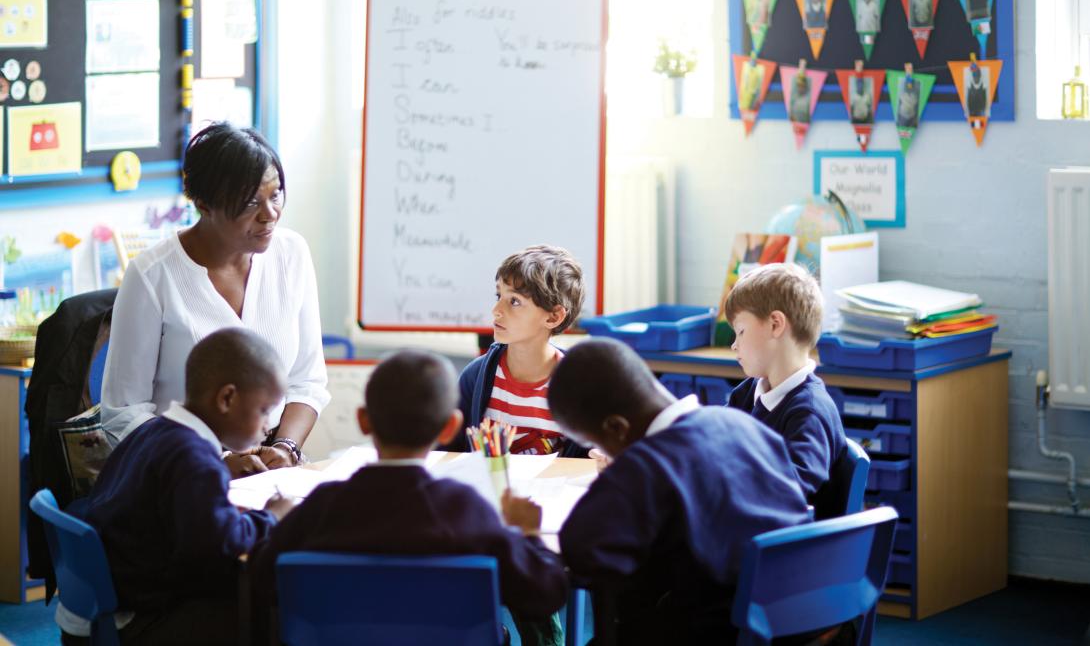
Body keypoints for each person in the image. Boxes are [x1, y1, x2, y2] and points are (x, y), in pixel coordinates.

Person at [249, 350, 569, 645]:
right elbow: (545, 593)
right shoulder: (466, 509)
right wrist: (527, 534)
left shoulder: (323, 506)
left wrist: (274, 520)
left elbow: (261, 578)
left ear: (363, 420)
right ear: (450, 427)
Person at [101, 122, 330, 477]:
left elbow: (307, 381)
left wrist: (286, 448)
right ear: (204, 205)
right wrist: (215, 461)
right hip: (180, 467)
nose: (269, 214)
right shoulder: (152, 275)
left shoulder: (292, 254)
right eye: (250, 202)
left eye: (276, 195)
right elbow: (124, 413)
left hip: (273, 465)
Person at [549, 339, 810, 643]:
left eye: (596, 443)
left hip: (713, 631)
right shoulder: (744, 424)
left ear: (617, 428)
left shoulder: (642, 469)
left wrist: (524, 529)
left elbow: (573, 554)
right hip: (795, 616)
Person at [63, 329, 295, 645]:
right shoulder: (193, 457)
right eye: (265, 411)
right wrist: (272, 517)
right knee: (267, 611)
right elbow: (220, 549)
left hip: (100, 601)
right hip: (135, 620)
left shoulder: (154, 431)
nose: (269, 426)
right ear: (227, 398)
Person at [724, 264, 847, 503]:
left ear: (775, 324)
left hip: (788, 525)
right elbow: (720, 441)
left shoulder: (809, 411)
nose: (734, 345)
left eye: (740, 331)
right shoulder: (748, 393)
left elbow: (794, 486)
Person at [450, 245, 587, 457]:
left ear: (553, 317)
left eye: (514, 301)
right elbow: (448, 450)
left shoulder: (577, 386)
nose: (496, 311)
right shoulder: (476, 376)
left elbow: (587, 459)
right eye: (498, 296)